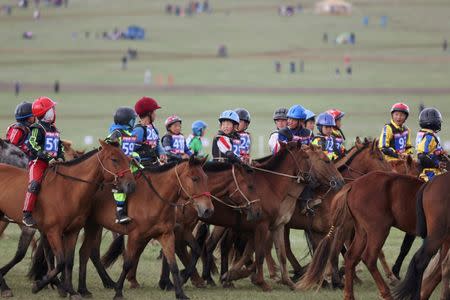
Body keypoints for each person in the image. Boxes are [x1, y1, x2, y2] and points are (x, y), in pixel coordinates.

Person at [23, 97, 64, 227]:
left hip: (54, 163)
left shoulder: (53, 128)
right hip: (38, 163)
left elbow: (59, 145)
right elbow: (32, 143)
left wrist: (61, 155)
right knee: (34, 185)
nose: (54, 110)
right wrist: (46, 156)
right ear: (45, 112)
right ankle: (27, 213)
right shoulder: (37, 128)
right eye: (51, 108)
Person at [106, 107, 141, 224]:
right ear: (126, 121)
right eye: (132, 120)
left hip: (130, 166)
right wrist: (125, 158)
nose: (134, 123)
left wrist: (136, 156)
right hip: (119, 168)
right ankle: (120, 212)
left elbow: (131, 151)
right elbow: (109, 149)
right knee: (120, 186)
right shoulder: (116, 133)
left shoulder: (129, 134)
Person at [133, 97, 167, 167]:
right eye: (154, 112)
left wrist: (161, 153)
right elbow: (130, 149)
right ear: (149, 113)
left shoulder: (154, 129)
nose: (155, 114)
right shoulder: (139, 131)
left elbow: (157, 144)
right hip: (143, 167)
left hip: (154, 164)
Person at [416, 107, 447, 182]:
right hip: (431, 173)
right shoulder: (429, 137)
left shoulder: (421, 133)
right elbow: (422, 156)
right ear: (435, 122)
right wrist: (437, 164)